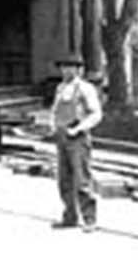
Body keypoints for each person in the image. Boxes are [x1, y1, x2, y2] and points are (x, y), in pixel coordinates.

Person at [49, 53, 103, 232]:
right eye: (64, 67)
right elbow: (55, 110)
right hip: (62, 136)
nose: (66, 70)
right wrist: (53, 125)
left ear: (78, 69)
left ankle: (89, 218)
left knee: (82, 179)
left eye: (70, 67)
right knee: (64, 179)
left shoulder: (85, 89)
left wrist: (79, 128)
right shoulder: (60, 88)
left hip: (78, 137)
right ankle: (70, 215)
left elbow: (96, 114)